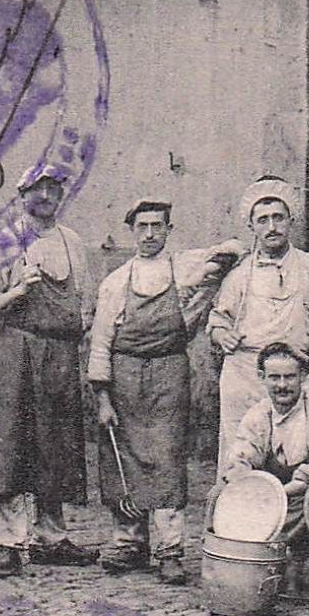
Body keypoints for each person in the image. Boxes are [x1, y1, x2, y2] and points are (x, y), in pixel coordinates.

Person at [91, 199, 241, 584]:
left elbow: (233, 250)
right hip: (124, 376)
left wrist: (207, 270)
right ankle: (129, 542)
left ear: (169, 230)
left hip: (170, 372)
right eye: (142, 226)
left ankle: (169, 550)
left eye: (158, 226)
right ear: (132, 230)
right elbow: (100, 342)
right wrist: (103, 398)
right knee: (121, 459)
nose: (150, 234)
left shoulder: (183, 267)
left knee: (168, 460)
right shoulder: (115, 281)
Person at [0, 161, 97, 577]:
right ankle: (6, 544)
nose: (45, 197)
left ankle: (52, 538)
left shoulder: (72, 242)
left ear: (61, 196)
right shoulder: (4, 243)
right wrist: (16, 292)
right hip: (14, 350)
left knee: (56, 445)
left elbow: (85, 302)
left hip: (59, 356)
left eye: (53, 190)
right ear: (22, 196)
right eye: (36, 190)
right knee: (8, 445)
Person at [208, 176, 309, 462]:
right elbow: (217, 321)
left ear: (291, 220)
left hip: (293, 374)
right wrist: (223, 334)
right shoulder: (239, 274)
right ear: (251, 226)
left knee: (296, 451)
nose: (272, 227)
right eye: (262, 220)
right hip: (244, 375)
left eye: (278, 218)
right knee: (240, 456)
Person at [218, 342, 309, 594]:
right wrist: (244, 480)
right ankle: (238, 567)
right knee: (219, 493)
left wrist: (278, 494)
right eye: (274, 378)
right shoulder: (258, 415)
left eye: (289, 377)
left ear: (303, 377)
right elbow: (240, 458)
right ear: (262, 379)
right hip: (272, 497)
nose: (282, 385)